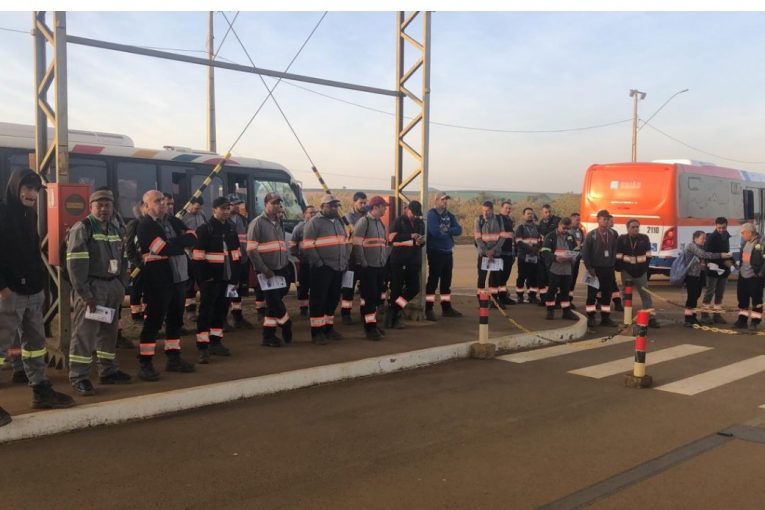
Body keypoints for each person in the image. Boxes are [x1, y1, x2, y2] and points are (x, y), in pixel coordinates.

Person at [0, 168, 75, 412]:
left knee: (35, 346)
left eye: (35, 190)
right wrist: (3, 288)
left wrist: (40, 285)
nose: (32, 194)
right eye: (27, 188)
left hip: (32, 292)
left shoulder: (30, 215)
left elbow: (34, 252)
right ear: (16, 187)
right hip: (9, 294)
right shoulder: (2, 213)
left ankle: (41, 390)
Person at [66, 189, 132, 395]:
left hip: (112, 287)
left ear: (112, 207)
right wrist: (86, 295)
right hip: (93, 289)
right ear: (91, 207)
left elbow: (123, 259)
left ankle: (108, 371)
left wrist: (121, 284)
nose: (104, 209)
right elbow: (75, 267)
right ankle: (79, 377)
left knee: (109, 332)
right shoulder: (82, 228)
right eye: (99, 205)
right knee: (85, 335)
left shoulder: (114, 229)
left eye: (108, 205)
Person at [136, 190, 197, 381]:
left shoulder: (172, 220)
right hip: (158, 281)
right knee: (154, 321)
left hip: (179, 279)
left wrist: (173, 242)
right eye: (157, 201)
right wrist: (180, 244)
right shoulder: (145, 225)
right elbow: (163, 248)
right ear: (146, 206)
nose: (163, 203)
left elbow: (193, 236)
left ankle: (173, 358)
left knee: (176, 319)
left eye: (163, 200)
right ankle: (145, 363)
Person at [193, 196, 241, 362]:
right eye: (222, 208)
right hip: (211, 280)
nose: (226, 211)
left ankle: (216, 342)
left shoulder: (231, 229)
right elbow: (198, 257)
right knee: (206, 313)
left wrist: (235, 277)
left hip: (227, 279)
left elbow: (236, 255)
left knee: (221, 311)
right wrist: (205, 279)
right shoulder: (205, 229)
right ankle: (203, 346)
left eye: (228, 208)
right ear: (214, 210)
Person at [247, 192, 292, 347]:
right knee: (274, 301)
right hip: (267, 270)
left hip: (281, 268)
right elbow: (251, 250)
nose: (277, 206)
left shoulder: (279, 222)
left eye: (278, 203)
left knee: (275, 302)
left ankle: (268, 336)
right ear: (265, 204)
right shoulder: (257, 223)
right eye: (273, 203)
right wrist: (263, 269)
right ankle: (286, 323)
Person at [302, 194, 348, 345]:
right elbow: (308, 245)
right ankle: (317, 332)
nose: (334, 208)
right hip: (322, 268)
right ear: (322, 207)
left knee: (333, 299)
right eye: (331, 206)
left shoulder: (339, 222)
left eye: (336, 205)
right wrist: (319, 262)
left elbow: (343, 242)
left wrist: (344, 261)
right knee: (318, 300)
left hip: (338, 267)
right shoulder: (314, 223)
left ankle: (328, 328)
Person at [352, 195, 389, 340]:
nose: (385, 209)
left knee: (375, 297)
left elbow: (382, 244)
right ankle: (370, 328)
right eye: (383, 207)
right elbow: (357, 244)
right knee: (370, 298)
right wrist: (364, 263)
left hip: (379, 266)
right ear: (375, 207)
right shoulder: (364, 222)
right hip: (368, 268)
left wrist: (383, 261)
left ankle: (371, 323)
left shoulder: (380, 223)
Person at [385, 200, 425, 329]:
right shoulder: (399, 221)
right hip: (399, 260)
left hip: (413, 261)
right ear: (407, 209)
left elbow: (422, 241)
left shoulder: (420, 223)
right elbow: (391, 238)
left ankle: (394, 309)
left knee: (414, 288)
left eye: (417, 214)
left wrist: (420, 241)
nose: (415, 216)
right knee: (396, 289)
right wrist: (410, 236)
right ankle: (393, 317)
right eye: (413, 213)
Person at [425, 191, 463, 321]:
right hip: (435, 252)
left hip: (447, 252)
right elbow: (435, 232)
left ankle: (446, 308)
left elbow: (459, 230)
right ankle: (428, 308)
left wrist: (447, 230)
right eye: (442, 199)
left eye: (446, 199)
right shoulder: (432, 214)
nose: (445, 201)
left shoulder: (449, 215)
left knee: (446, 282)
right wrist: (449, 231)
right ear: (436, 201)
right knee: (433, 282)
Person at [615, 219, 659, 328]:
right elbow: (618, 255)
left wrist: (643, 268)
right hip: (627, 272)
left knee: (646, 295)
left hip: (641, 273)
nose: (635, 229)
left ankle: (651, 318)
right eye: (633, 227)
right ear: (627, 228)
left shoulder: (644, 238)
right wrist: (623, 267)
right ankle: (627, 318)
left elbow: (648, 255)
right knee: (626, 296)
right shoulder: (621, 239)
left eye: (637, 227)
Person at [682, 230, 729, 327]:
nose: (704, 240)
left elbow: (702, 258)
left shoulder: (700, 247)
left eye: (705, 238)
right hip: (691, 276)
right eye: (702, 238)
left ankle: (692, 317)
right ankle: (688, 319)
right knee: (692, 298)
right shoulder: (692, 246)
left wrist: (706, 264)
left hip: (698, 276)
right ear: (695, 238)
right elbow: (704, 254)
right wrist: (720, 255)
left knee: (695, 296)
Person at [581, 209, 619, 328]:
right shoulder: (591, 235)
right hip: (594, 269)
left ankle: (605, 318)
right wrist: (589, 267)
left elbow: (614, 250)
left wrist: (612, 264)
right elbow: (585, 253)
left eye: (608, 219)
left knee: (607, 295)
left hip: (608, 269)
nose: (606, 221)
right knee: (592, 295)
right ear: (598, 220)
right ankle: (591, 317)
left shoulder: (612, 234)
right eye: (604, 219)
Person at [540, 217, 578, 320]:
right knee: (552, 290)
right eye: (564, 228)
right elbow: (545, 251)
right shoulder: (550, 236)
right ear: (559, 225)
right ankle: (550, 311)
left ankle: (566, 311)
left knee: (565, 291)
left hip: (567, 268)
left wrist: (575, 257)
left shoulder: (570, 237)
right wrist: (555, 258)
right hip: (554, 268)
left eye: (568, 229)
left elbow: (576, 249)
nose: (566, 230)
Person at [340, 191, 368, 324]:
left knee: (365, 288)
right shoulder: (348, 217)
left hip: (364, 257)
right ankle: (345, 313)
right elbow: (353, 232)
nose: (363, 205)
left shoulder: (368, 216)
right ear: (354, 202)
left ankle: (364, 312)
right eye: (361, 203)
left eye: (365, 203)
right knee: (348, 287)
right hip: (351, 257)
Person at [700, 217, 734, 325]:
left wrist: (731, 261)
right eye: (719, 228)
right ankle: (704, 315)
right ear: (715, 226)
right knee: (710, 292)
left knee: (720, 293)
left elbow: (726, 252)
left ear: (726, 226)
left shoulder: (726, 236)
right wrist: (723, 260)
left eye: (723, 227)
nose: (721, 230)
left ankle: (717, 315)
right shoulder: (711, 238)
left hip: (724, 270)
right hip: (712, 270)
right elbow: (707, 254)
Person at [227, 194, 253, 329]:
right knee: (228, 289)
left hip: (242, 259)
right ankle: (222, 319)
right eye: (234, 204)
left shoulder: (243, 220)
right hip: (229, 261)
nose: (237, 207)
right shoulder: (223, 221)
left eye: (238, 204)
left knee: (238, 290)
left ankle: (237, 316)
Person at [474, 201, 503, 307]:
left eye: (487, 211)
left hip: (496, 254)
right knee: (482, 278)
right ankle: (482, 301)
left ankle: (494, 301)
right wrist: (486, 251)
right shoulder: (478, 220)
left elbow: (502, 237)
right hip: (483, 254)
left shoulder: (499, 219)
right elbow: (478, 238)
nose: (485, 213)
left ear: (492, 210)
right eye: (483, 210)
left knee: (495, 279)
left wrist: (493, 250)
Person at [734, 223, 762, 330]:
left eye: (743, 233)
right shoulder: (745, 243)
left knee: (756, 301)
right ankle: (742, 320)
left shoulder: (760, 243)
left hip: (755, 277)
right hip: (743, 276)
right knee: (742, 299)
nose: (742, 235)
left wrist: (761, 272)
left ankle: (755, 322)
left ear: (750, 233)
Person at [291, 205, 317, 318]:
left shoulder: (319, 226)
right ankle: (303, 309)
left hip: (317, 263)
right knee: (303, 287)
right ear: (304, 214)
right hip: (305, 263)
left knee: (316, 286)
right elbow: (292, 245)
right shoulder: (299, 228)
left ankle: (315, 308)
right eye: (310, 212)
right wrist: (299, 256)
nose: (313, 215)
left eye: (314, 212)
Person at [183, 196, 206, 317]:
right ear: (190, 205)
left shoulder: (202, 215)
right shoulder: (183, 217)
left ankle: (203, 310)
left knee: (202, 281)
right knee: (190, 282)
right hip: (188, 253)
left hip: (200, 254)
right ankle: (190, 310)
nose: (197, 210)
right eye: (196, 208)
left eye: (199, 208)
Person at [515, 207, 541, 304]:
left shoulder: (537, 227)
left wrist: (536, 249)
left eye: (531, 214)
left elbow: (541, 240)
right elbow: (518, 241)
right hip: (523, 256)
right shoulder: (520, 228)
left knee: (534, 277)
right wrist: (530, 250)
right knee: (522, 276)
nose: (530, 215)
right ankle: (520, 296)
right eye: (528, 213)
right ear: (523, 215)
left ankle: (532, 296)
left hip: (535, 256)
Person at [126, 200, 146, 323]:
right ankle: (135, 314)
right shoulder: (134, 223)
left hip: (148, 262)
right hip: (138, 263)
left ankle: (145, 313)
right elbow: (129, 245)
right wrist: (135, 261)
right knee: (136, 287)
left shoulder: (150, 222)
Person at [536, 204, 561, 304]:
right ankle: (544, 298)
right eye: (546, 212)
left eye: (549, 212)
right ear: (542, 213)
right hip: (543, 253)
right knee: (543, 277)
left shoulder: (557, 220)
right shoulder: (541, 222)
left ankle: (556, 299)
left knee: (553, 277)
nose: (548, 214)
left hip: (553, 253)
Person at [496, 200, 516, 305]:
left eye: (509, 208)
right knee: (497, 276)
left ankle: (503, 297)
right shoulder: (497, 219)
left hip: (509, 252)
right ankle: (494, 298)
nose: (508, 210)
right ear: (501, 208)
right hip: (500, 252)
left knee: (504, 277)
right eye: (506, 208)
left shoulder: (509, 220)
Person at [568, 213, 586, 309]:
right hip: (568, 260)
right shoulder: (567, 231)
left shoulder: (580, 231)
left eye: (579, 220)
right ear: (571, 220)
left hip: (577, 259)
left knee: (573, 280)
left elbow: (583, 244)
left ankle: (569, 300)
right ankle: (562, 300)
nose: (578, 222)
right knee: (567, 280)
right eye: (576, 220)